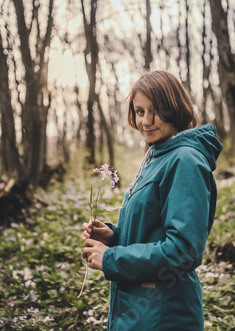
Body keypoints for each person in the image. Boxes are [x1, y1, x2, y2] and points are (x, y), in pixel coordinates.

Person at [82, 70, 223, 330]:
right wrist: (113, 237)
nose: (146, 120)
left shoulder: (185, 161)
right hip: (140, 312)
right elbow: (153, 230)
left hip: (165, 315)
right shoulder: (159, 156)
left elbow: (184, 251)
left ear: (174, 109)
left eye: (155, 110)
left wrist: (112, 258)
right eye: (139, 111)